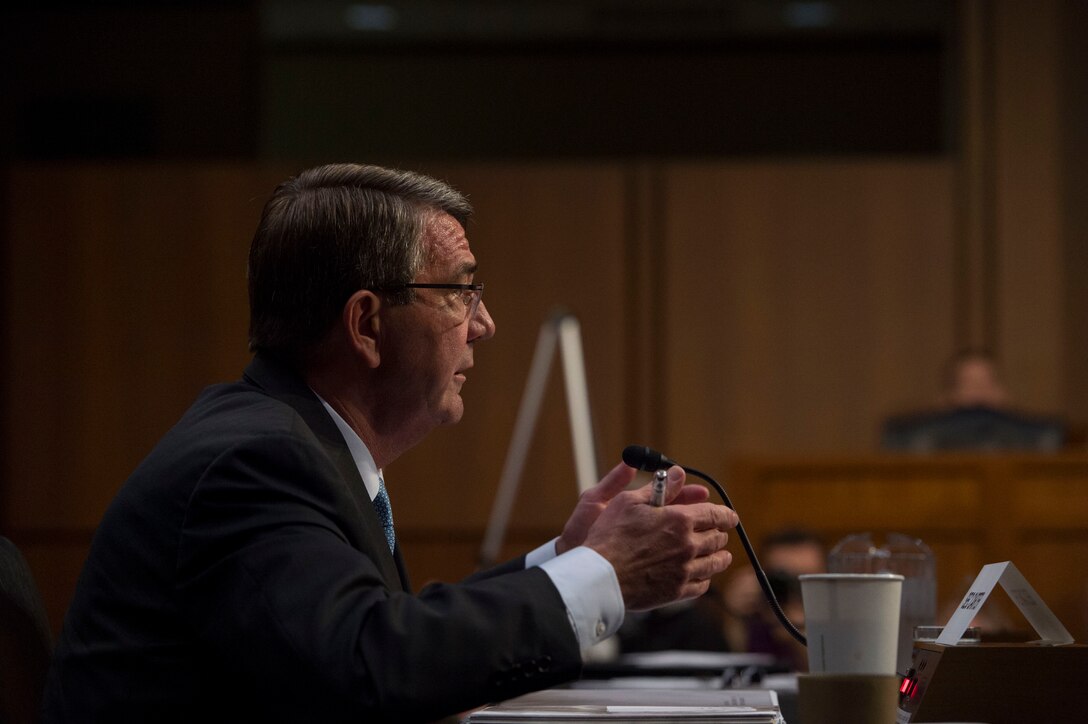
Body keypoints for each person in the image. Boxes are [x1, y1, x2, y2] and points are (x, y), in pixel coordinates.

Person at [41, 163, 739, 724]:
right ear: (367, 324)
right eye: (460, 293)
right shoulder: (253, 462)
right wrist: (605, 574)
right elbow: (370, 668)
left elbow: (384, 634)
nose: (485, 324)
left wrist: (571, 557)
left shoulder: (292, 441)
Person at [881, 348, 1065, 451]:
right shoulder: (916, 433)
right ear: (948, 394)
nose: (979, 391)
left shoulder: (1035, 433)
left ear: (1002, 391)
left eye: (986, 382)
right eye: (969, 383)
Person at [720, 528, 825, 671]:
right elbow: (730, 669)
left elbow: (827, 675)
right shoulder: (752, 610)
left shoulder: (837, 618)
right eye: (782, 579)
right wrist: (732, 618)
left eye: (804, 580)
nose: (791, 589)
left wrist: (800, 633)